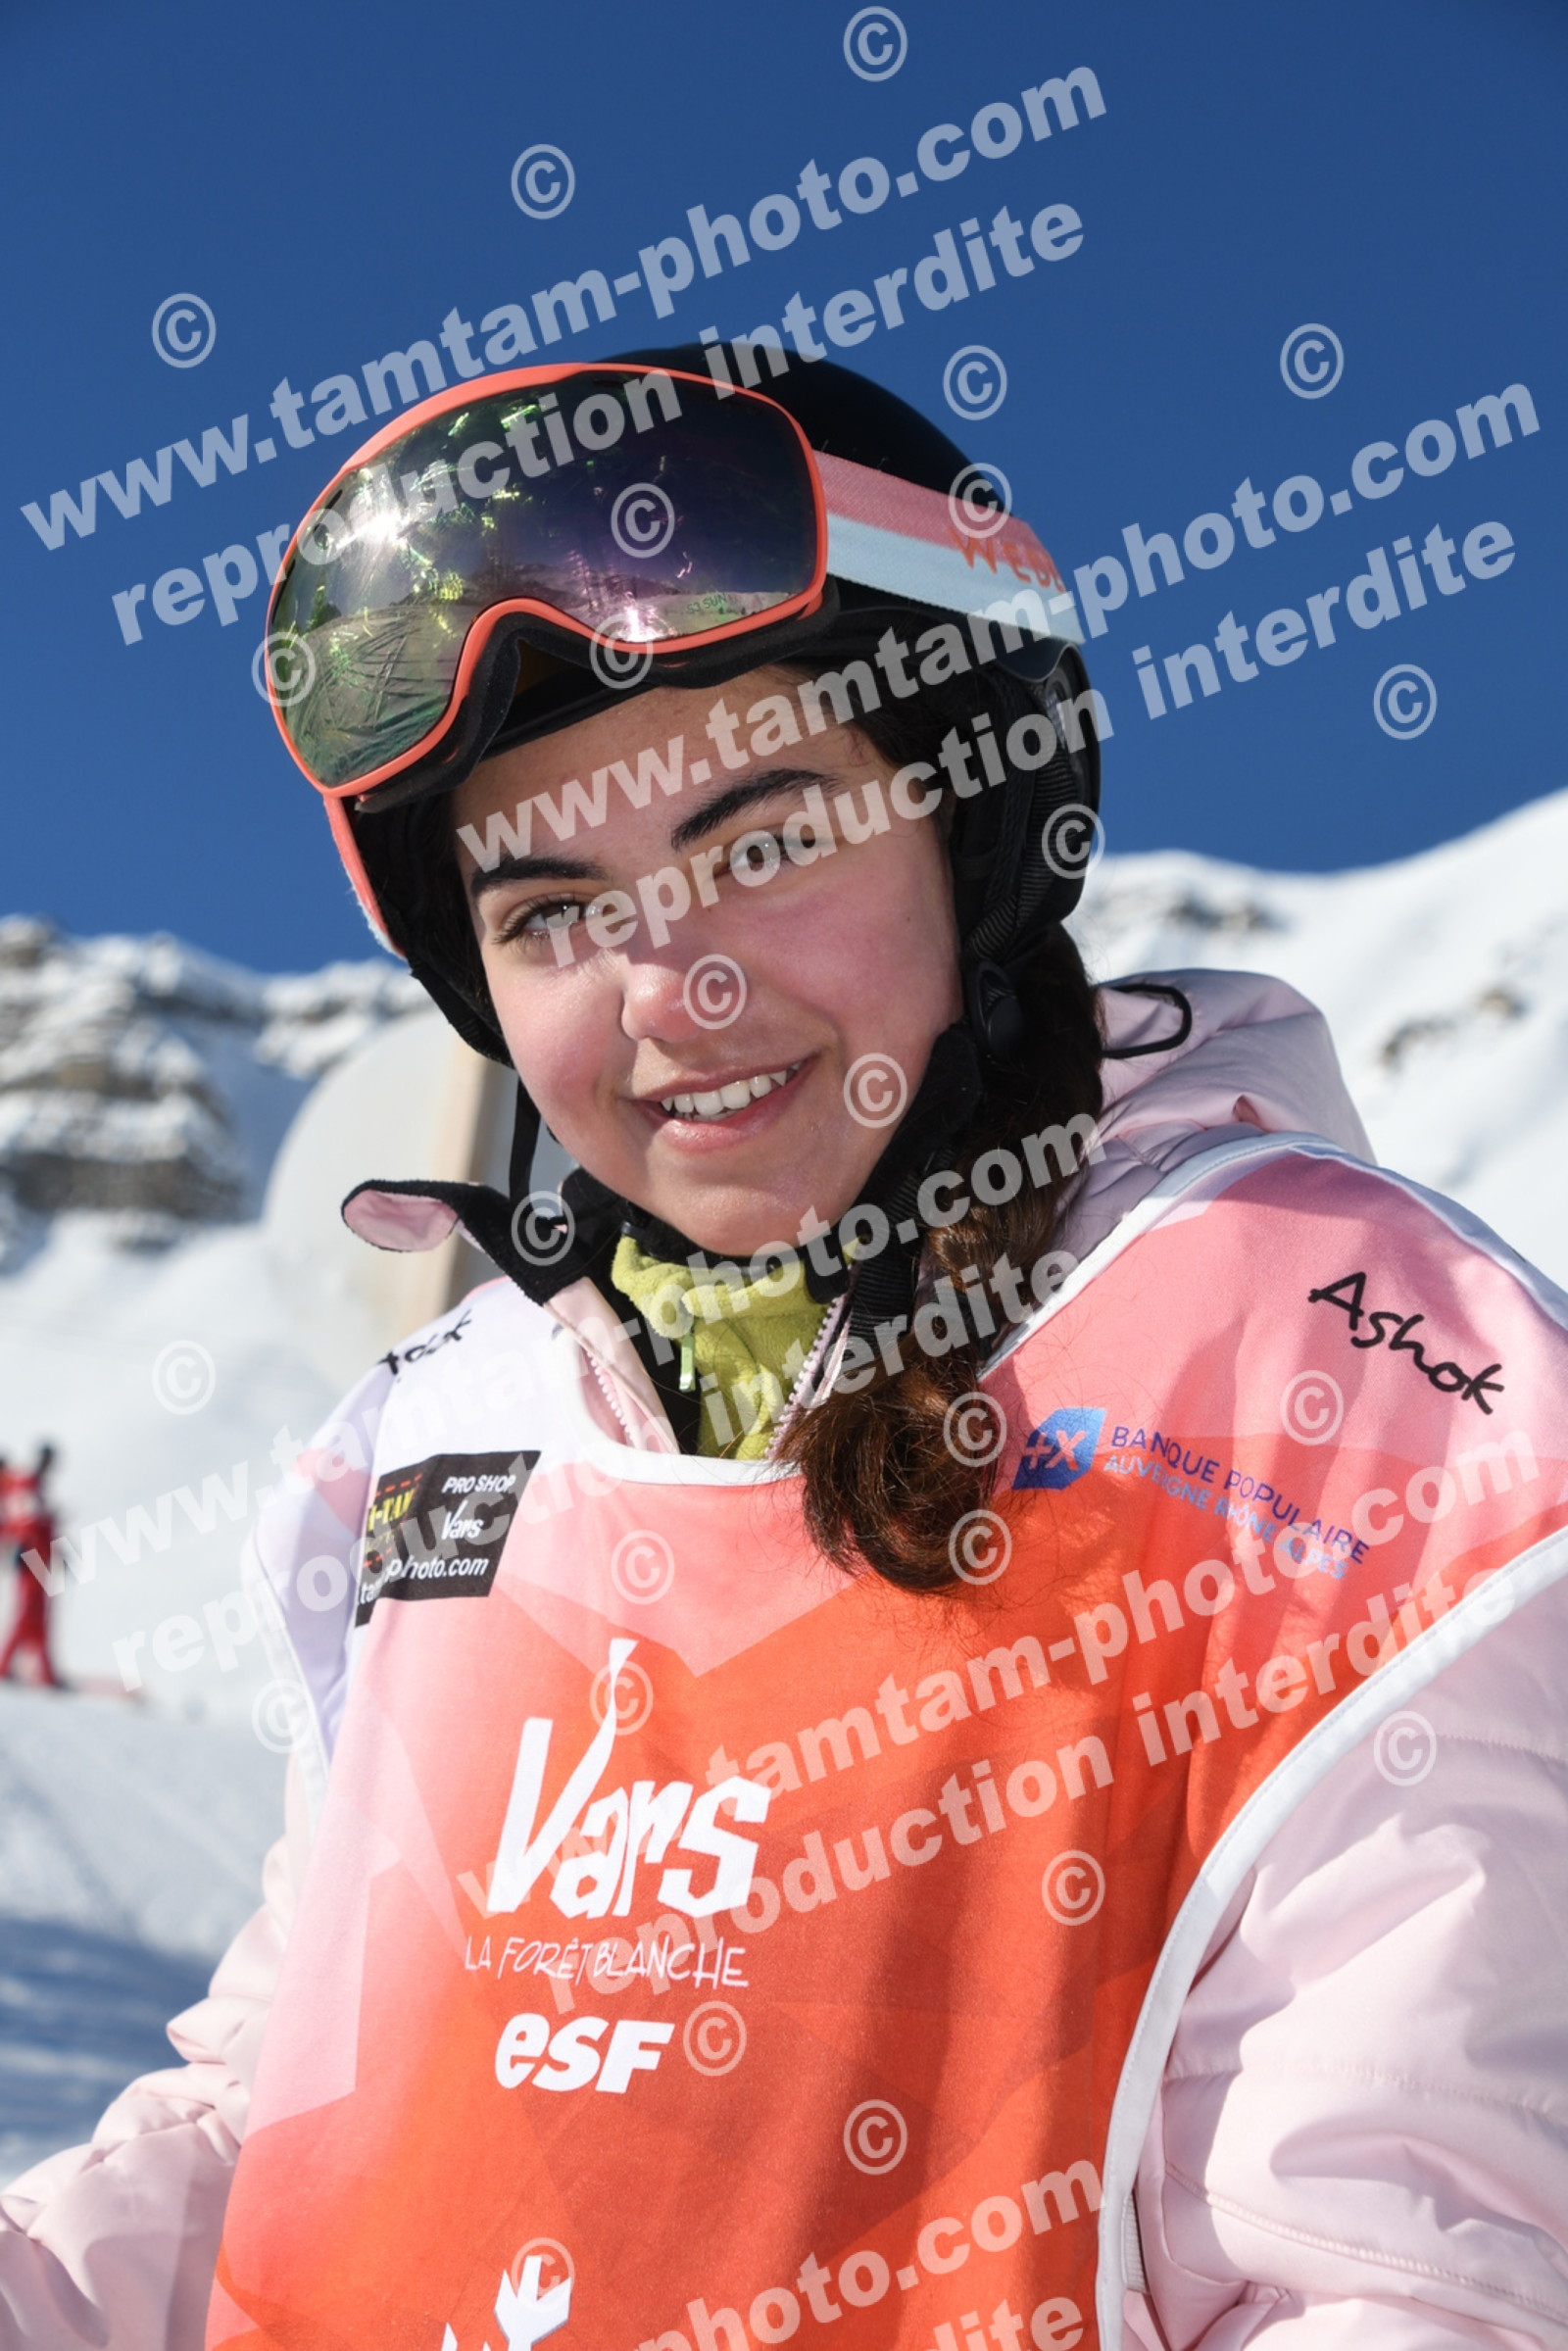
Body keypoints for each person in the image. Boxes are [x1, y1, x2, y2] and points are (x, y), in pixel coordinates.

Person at [3, 350, 1565, 2349]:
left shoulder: (1358, 1393)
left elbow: (1414, 2270)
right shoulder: (451, 1431)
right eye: (550, 910)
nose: (673, 988)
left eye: (759, 841)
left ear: (970, 831)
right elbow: (287, 2114)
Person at [0, 1442, 61, 1688]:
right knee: (29, 1612)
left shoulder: (30, 1486)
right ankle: (6, 1667)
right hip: (31, 1554)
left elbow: (38, 1523)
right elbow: (23, 1521)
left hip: (39, 1555)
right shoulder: (24, 1485)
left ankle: (43, 1671)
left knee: (38, 1613)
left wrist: (58, 1551)